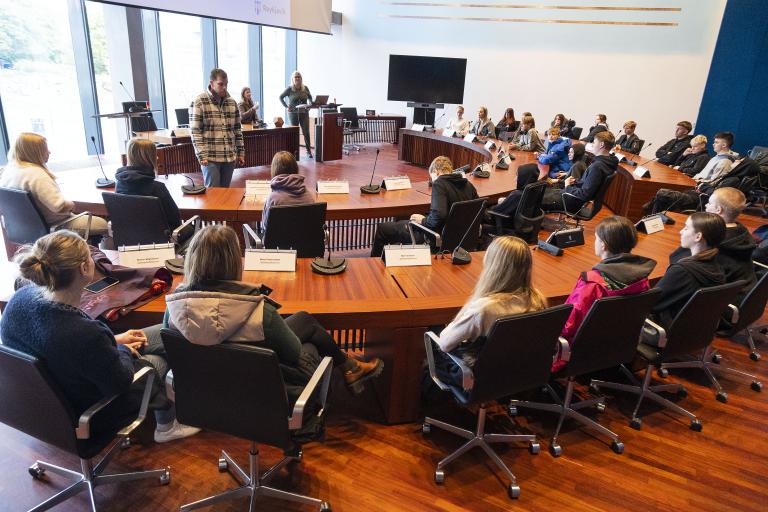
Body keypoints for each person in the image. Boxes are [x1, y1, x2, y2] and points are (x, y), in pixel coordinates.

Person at [0, 231, 199, 443]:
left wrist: (113, 340)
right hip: (88, 410)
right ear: (84, 268)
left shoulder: (19, 301)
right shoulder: (81, 333)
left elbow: (64, 348)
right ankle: (167, 425)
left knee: (168, 335)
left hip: (40, 405)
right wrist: (120, 350)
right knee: (158, 362)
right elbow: (120, 382)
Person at [163, 225, 383, 395]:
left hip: (209, 387)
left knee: (303, 320)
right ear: (234, 262)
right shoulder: (260, 312)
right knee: (308, 340)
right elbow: (293, 352)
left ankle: (350, 367)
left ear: (192, 260)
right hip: (261, 388)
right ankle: (348, 367)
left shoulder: (174, 308)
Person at [430, 236, 547, 387]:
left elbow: (445, 344)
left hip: (476, 376)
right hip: (514, 370)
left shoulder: (483, 309)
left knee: (433, 331)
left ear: (493, 266)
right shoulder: (538, 299)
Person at [552, 216, 656, 372]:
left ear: (604, 245)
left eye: (596, 238)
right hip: (619, 345)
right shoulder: (642, 278)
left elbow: (569, 326)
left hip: (582, 351)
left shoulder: (593, 283)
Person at [0, 132, 109, 238]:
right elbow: (59, 207)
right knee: (104, 223)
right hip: (56, 225)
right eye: (45, 149)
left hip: (24, 227)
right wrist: (72, 205)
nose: (49, 152)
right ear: (35, 152)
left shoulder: (9, 172)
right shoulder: (36, 174)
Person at [370, 156, 478, 257]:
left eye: (432, 177)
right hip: (460, 238)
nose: (433, 181)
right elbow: (478, 211)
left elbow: (439, 216)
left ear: (436, 172)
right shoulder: (468, 185)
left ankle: (373, 268)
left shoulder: (440, 183)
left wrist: (422, 221)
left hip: (434, 237)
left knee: (383, 229)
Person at [669, 188, 756, 301]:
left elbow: (678, 263)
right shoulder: (741, 233)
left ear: (718, 210)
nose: (705, 205)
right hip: (746, 296)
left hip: (720, 304)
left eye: (709, 203)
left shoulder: (711, 241)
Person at [650, 212, 726, 328]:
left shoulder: (682, 271)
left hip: (664, 333)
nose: (681, 232)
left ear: (698, 237)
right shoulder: (717, 266)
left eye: (686, 228)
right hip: (696, 333)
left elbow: (650, 305)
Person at [644, 132, 737, 214]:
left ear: (724, 145)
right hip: (694, 189)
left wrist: (699, 182)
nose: (713, 144)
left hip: (699, 196)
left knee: (662, 193)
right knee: (661, 197)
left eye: (716, 142)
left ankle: (649, 217)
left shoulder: (725, 161)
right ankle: (650, 217)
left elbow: (714, 184)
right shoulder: (716, 158)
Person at [191, 68, 245, 188]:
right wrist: (201, 154)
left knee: (225, 194)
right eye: (221, 84)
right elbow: (195, 131)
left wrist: (241, 152)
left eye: (226, 84)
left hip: (229, 158)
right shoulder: (200, 101)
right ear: (212, 83)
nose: (224, 87)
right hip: (210, 158)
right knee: (212, 196)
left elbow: (237, 130)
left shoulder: (232, 102)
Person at [541, 131, 618, 212]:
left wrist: (568, 186)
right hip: (575, 198)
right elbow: (588, 184)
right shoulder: (608, 163)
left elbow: (585, 194)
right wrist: (575, 181)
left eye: (594, 142)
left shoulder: (597, 166)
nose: (592, 145)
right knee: (543, 191)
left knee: (537, 197)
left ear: (601, 144)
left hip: (572, 202)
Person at [115, 139, 182, 231]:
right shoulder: (157, 188)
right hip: (160, 240)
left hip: (128, 239)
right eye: (155, 155)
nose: (157, 158)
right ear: (150, 158)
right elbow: (175, 220)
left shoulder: (119, 184)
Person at [262, 151, 316, 229]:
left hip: (278, 241)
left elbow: (265, 226)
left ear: (275, 170)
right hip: (304, 240)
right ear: (295, 167)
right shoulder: (309, 196)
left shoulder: (273, 199)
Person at [279, 71, 314, 158]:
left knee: (306, 132)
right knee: (294, 132)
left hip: (304, 113)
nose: (297, 78)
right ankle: (294, 152)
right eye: (296, 77)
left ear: (301, 78)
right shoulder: (289, 89)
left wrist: (310, 105)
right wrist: (286, 107)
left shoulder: (305, 88)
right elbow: (280, 97)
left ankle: (308, 151)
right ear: (293, 79)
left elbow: (310, 98)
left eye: (299, 77)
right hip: (293, 114)